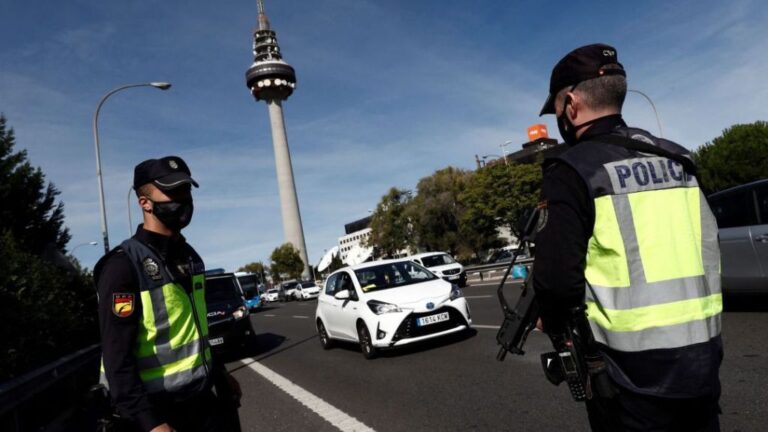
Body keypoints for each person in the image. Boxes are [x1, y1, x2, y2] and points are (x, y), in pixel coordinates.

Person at [532, 44, 722, 431]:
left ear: (570, 104)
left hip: (629, 375)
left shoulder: (571, 170)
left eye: (555, 110)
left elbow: (556, 283)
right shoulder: (678, 159)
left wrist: (548, 320)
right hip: (703, 359)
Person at [95, 156, 241, 432]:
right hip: (158, 412)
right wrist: (151, 423)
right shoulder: (123, 266)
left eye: (186, 190)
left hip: (203, 400)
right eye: (172, 192)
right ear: (145, 202)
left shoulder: (190, 256)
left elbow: (197, 331)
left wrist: (221, 376)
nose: (183, 199)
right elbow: (117, 359)